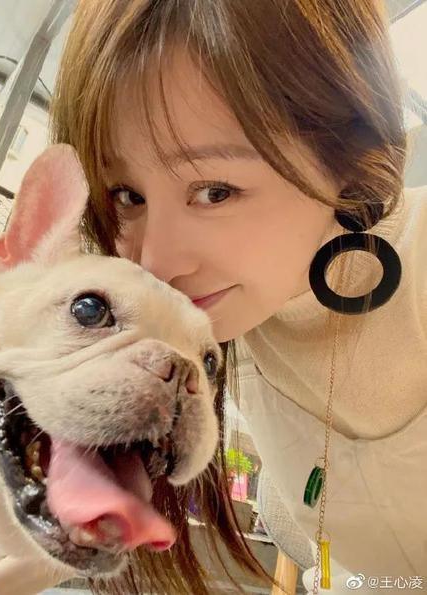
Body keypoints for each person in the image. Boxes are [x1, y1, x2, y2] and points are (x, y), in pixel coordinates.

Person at [48, 0, 426, 593]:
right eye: (126, 195)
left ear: (350, 156)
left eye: (215, 191)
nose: (155, 264)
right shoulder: (223, 335)